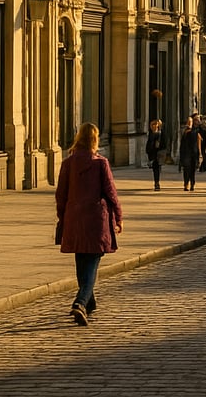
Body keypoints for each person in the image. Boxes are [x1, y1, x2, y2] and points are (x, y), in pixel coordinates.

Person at [55, 122, 123, 326]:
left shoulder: (68, 163)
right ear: (95, 139)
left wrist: (63, 217)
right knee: (92, 264)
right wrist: (118, 217)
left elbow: (61, 195)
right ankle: (80, 302)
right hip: (96, 220)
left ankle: (90, 302)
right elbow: (111, 192)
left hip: (74, 218)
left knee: (81, 261)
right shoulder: (100, 163)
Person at [144, 119, 166, 191]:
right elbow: (148, 144)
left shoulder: (161, 133)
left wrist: (160, 146)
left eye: (156, 125)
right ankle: (156, 182)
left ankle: (157, 182)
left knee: (158, 168)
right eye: (153, 125)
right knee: (155, 169)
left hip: (159, 153)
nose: (154, 126)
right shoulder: (150, 134)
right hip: (153, 153)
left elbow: (165, 143)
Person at [179, 120, 201, 191]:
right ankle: (186, 184)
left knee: (192, 169)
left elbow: (198, 142)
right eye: (188, 122)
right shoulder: (183, 132)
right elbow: (182, 144)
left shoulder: (196, 131)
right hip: (186, 153)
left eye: (190, 122)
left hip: (194, 153)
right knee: (186, 169)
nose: (189, 124)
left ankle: (192, 183)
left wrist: (199, 154)